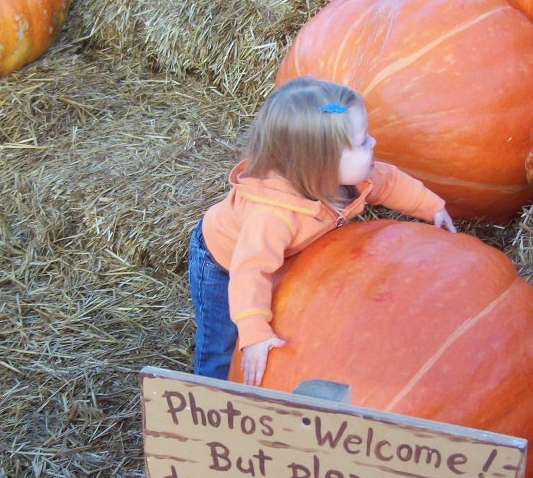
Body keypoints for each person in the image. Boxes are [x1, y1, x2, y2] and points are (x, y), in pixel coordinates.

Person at [188, 76, 457, 387]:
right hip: (223, 263)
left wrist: (432, 207)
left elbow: (390, 182)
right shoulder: (273, 217)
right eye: (361, 142)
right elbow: (250, 272)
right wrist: (253, 330)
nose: (374, 143)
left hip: (283, 252)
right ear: (321, 164)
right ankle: (210, 401)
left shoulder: (344, 180)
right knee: (222, 342)